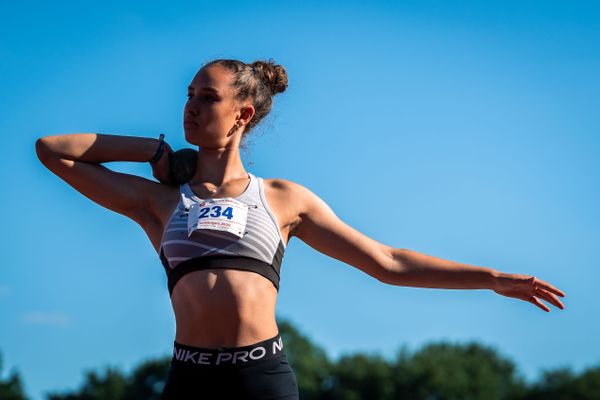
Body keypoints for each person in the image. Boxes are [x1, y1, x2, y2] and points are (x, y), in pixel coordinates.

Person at [34, 58, 566, 399]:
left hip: (260, 378)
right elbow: (53, 151)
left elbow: (389, 263)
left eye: (207, 99)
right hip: (188, 379)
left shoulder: (284, 198)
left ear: (242, 115)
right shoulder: (159, 201)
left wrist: (492, 277)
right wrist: (152, 150)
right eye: (190, 95)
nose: (191, 107)